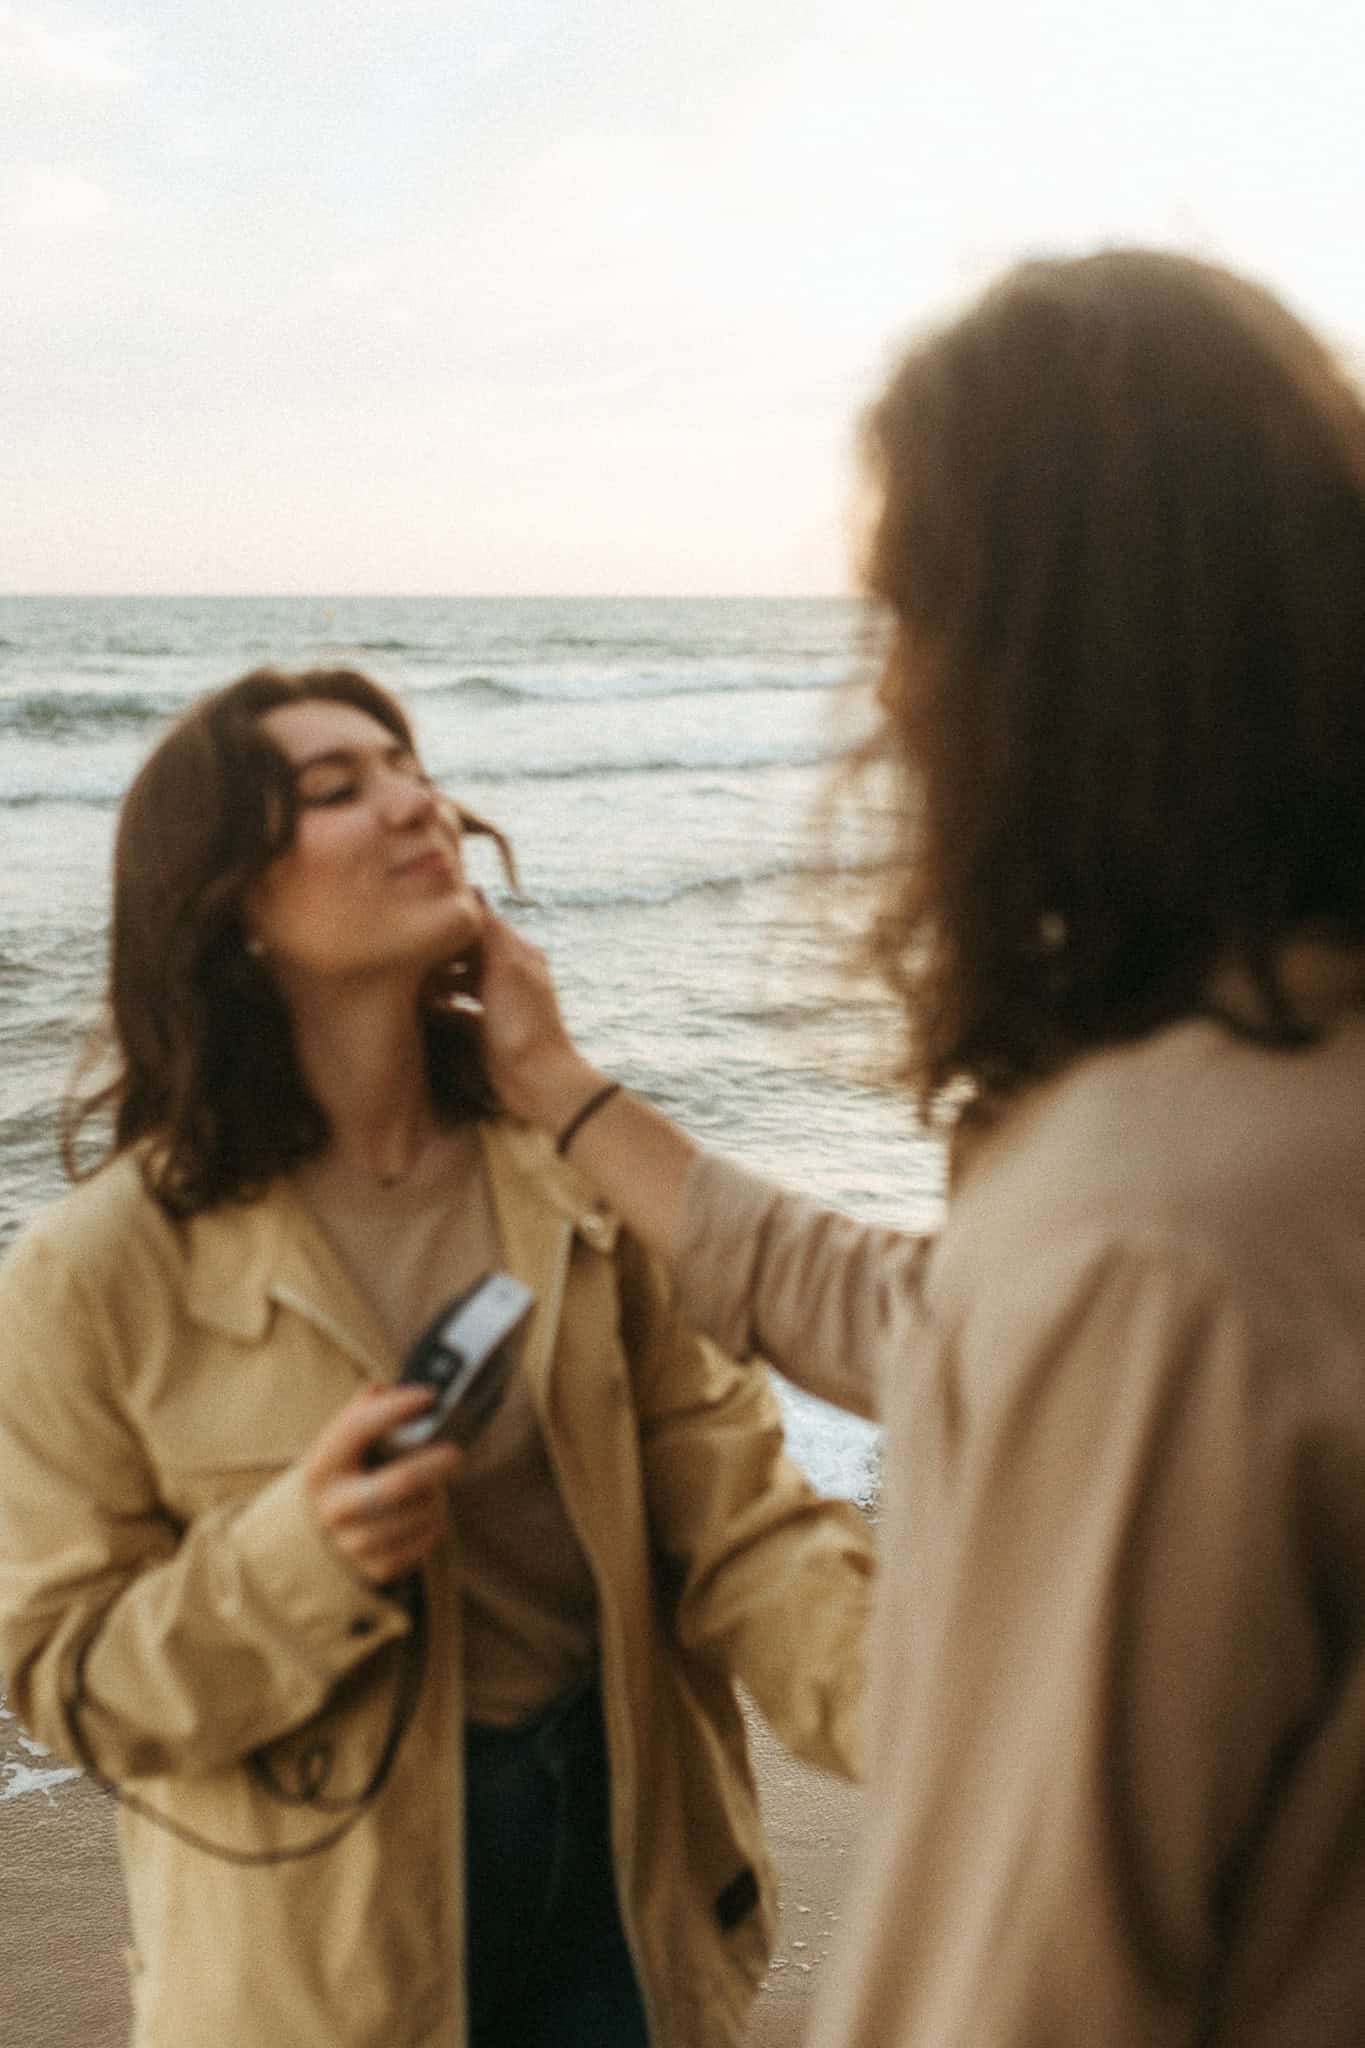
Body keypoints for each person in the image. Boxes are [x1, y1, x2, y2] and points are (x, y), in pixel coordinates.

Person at [473, 248, 1365, 2047]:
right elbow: (935, 1317)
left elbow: (1019, 1990)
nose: (885, 701)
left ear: (1081, 658)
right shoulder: (1278, 1102)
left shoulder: (1149, 1245)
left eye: (916, 616)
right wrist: (566, 1095)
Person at [0, 665, 873, 2048]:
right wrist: (302, 1560)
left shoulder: (576, 1185)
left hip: (620, 1892)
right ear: (226, 903)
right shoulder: (92, 1274)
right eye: (338, 789)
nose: (415, 800)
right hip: (317, 1955)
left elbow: (741, 1528)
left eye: (407, 764)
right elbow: (71, 1682)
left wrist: (933, 1713)